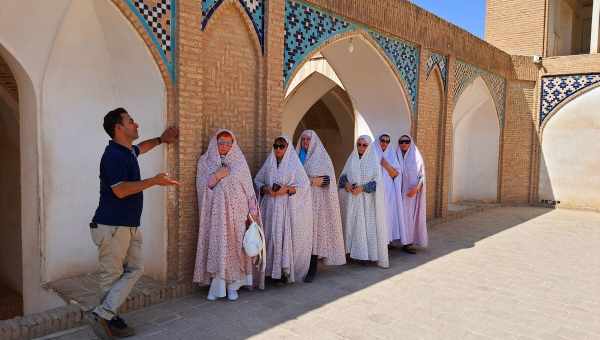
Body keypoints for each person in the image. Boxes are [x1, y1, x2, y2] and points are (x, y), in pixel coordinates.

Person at [86, 107, 179, 339]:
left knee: (135, 269)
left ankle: (105, 313)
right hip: (112, 226)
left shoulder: (126, 151)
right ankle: (107, 318)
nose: (136, 124)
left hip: (127, 226)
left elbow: (141, 148)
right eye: (130, 121)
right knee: (112, 276)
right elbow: (120, 191)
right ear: (119, 128)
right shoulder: (113, 156)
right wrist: (155, 181)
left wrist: (161, 139)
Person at [193, 129, 263, 301]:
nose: (224, 146)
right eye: (221, 142)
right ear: (215, 144)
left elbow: (248, 189)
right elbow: (202, 186)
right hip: (216, 216)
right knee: (219, 247)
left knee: (236, 249)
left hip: (238, 215)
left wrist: (252, 213)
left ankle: (233, 286)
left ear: (233, 144)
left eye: (228, 143)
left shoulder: (239, 162)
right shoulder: (205, 161)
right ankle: (217, 288)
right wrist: (217, 176)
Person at [254, 136, 313, 283]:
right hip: (269, 208)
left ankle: (281, 272)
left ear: (287, 147)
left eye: (282, 146)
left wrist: (286, 189)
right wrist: (265, 189)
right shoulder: (269, 163)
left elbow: (303, 186)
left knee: (281, 238)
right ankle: (268, 271)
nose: (278, 149)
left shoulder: (294, 165)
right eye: (276, 146)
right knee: (269, 237)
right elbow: (258, 179)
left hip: (285, 208)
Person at [295, 130, 346, 282]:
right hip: (298, 202)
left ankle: (312, 268)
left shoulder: (322, 158)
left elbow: (327, 180)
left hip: (315, 203)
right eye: (303, 139)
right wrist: (310, 180)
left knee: (313, 235)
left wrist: (312, 180)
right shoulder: (296, 157)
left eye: (308, 140)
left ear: (314, 141)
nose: (305, 142)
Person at [338, 135, 389, 268]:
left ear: (369, 146)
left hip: (366, 202)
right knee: (351, 226)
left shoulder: (373, 161)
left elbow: (377, 183)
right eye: (359, 144)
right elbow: (343, 176)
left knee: (365, 227)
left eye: (364, 145)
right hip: (352, 201)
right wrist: (347, 185)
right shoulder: (352, 158)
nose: (361, 147)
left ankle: (365, 255)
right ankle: (351, 253)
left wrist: (362, 188)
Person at [372, 133, 406, 245]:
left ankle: (385, 242)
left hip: (388, 191)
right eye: (382, 140)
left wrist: (386, 165)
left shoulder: (391, 154)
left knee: (387, 215)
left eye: (387, 141)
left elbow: (396, 174)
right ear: (378, 140)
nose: (384, 143)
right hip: (374, 191)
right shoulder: (371, 153)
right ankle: (376, 242)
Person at [396, 135, 428, 253]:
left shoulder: (416, 156)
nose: (404, 144)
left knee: (409, 218)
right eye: (401, 142)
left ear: (410, 143)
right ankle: (397, 241)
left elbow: (422, 176)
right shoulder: (396, 155)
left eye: (406, 142)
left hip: (412, 195)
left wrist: (416, 189)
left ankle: (408, 243)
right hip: (398, 193)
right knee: (398, 217)